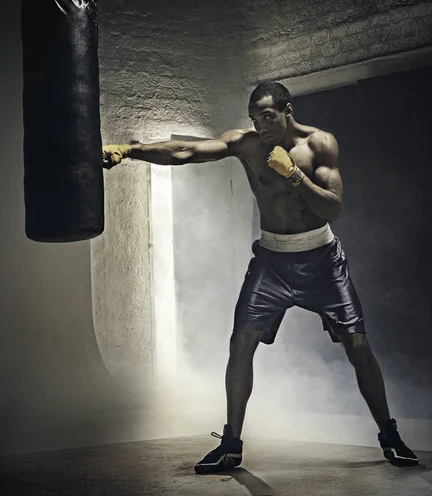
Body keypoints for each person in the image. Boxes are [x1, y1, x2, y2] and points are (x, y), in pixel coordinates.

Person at [102, 81, 419, 471]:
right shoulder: (250, 145)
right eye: (255, 119)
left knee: (357, 347)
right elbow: (187, 151)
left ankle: (389, 435)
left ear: (288, 110)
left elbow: (333, 209)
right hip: (272, 261)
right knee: (240, 344)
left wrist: (294, 177)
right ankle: (231, 445)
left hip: (322, 260)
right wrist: (129, 150)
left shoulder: (320, 144)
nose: (261, 127)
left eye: (268, 117)